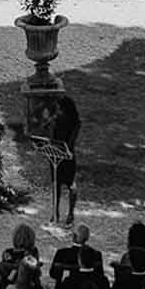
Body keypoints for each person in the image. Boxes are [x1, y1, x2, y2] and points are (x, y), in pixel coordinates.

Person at [45, 92, 80, 225]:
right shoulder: (56, 119)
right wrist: (50, 125)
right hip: (54, 155)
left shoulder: (74, 123)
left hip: (67, 155)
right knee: (55, 183)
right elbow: (50, 136)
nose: (58, 111)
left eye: (60, 109)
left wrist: (65, 148)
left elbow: (71, 141)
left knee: (70, 183)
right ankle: (55, 212)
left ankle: (71, 213)